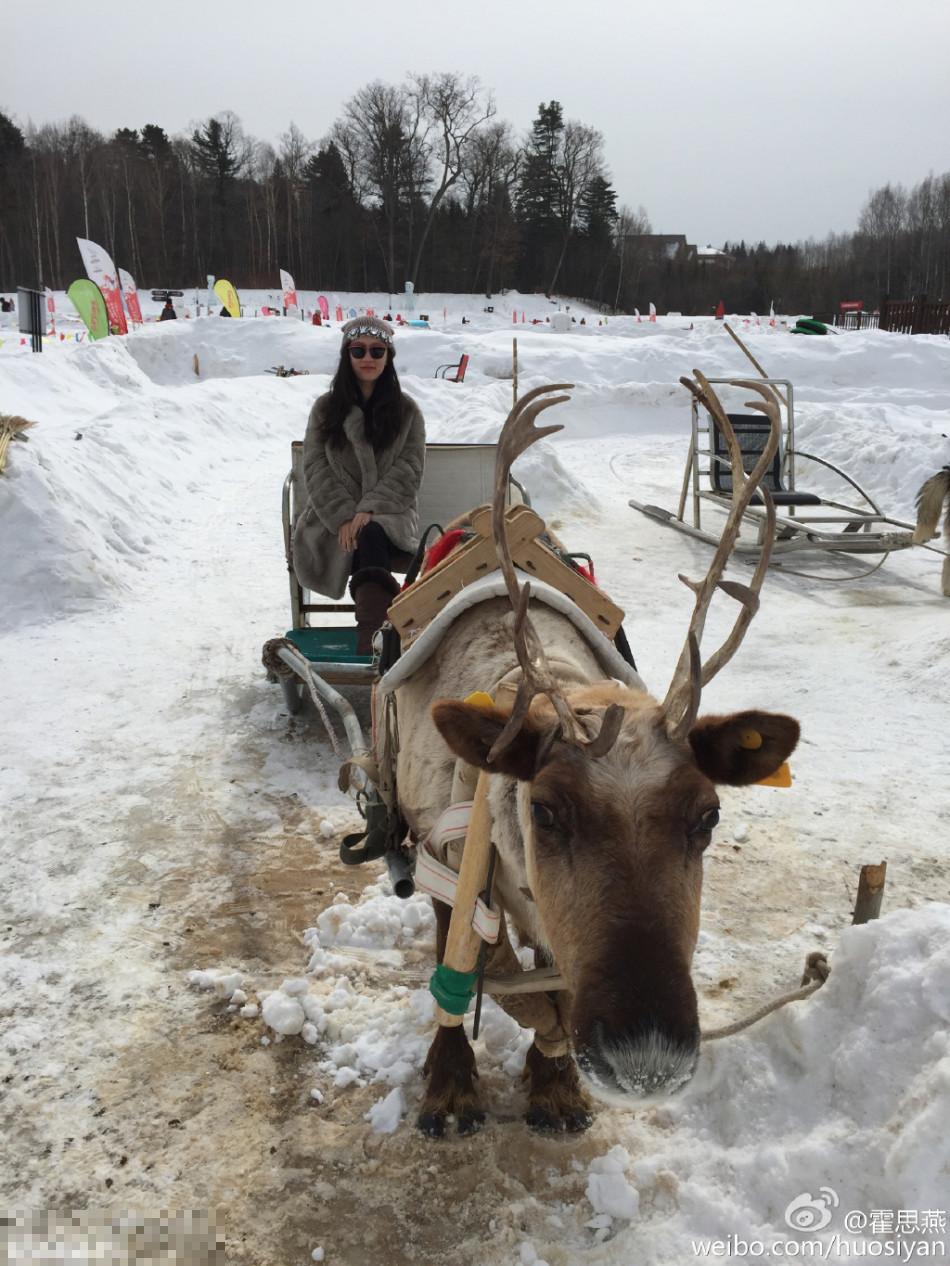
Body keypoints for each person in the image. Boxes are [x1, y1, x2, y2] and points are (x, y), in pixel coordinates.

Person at [292, 316, 425, 654]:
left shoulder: (406, 411)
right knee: (366, 535)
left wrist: (370, 508)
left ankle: (370, 638)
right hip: (331, 520)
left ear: (388, 357)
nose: (368, 358)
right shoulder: (325, 409)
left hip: (391, 515)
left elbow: (409, 468)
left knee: (372, 532)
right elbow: (315, 466)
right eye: (358, 350)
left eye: (377, 351)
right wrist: (343, 516)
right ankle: (382, 638)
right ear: (347, 355)